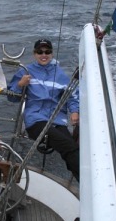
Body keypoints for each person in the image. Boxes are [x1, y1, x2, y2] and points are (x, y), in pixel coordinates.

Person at [7, 39, 80, 181]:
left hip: (57, 120)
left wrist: (75, 111)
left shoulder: (60, 75)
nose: (44, 54)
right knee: (68, 146)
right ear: (35, 54)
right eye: (40, 52)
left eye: (47, 51)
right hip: (36, 121)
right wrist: (20, 85)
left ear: (52, 54)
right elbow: (12, 97)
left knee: (72, 147)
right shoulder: (26, 71)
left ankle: (83, 183)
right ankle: (87, 182)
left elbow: (71, 95)